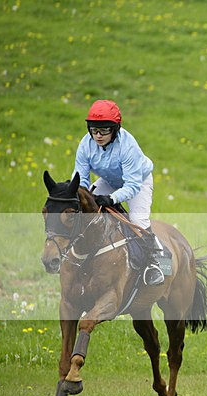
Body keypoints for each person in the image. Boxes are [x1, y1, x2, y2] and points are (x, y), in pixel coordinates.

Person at [74, 99, 164, 285]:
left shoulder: (128, 146)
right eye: (93, 130)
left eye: (104, 130)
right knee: (85, 207)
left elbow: (131, 186)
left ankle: (156, 262)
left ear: (115, 129)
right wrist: (83, 195)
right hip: (109, 179)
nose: (98, 135)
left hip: (137, 181)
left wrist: (111, 198)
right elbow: (81, 179)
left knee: (138, 220)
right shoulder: (85, 144)